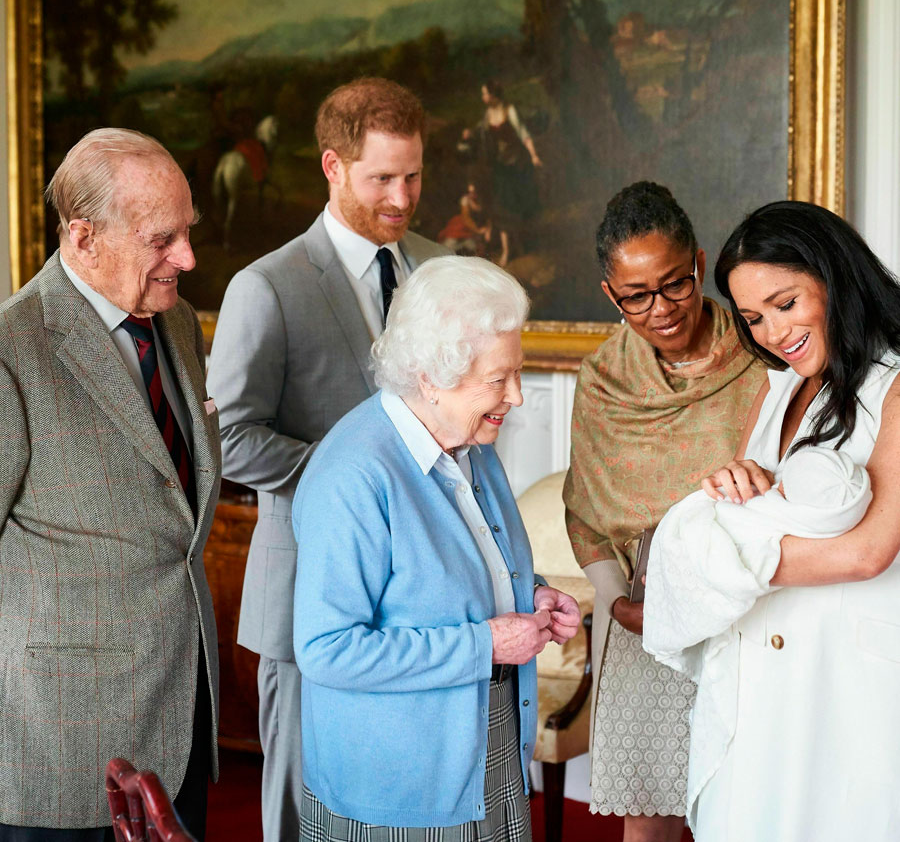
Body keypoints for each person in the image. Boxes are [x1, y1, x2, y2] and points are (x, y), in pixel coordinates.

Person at [205, 77, 448, 841]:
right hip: (308, 593)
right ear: (332, 168)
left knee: (399, 811)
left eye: (413, 176)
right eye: (382, 178)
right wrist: (361, 484)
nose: (403, 198)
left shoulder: (440, 270)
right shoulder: (266, 287)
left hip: (422, 604)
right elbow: (230, 437)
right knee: (298, 812)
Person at [292, 256, 580, 840]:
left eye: (516, 373)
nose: (517, 397)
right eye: (498, 379)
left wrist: (534, 593)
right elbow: (327, 649)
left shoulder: (470, 442)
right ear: (430, 377)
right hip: (399, 788)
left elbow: (457, 573)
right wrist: (487, 643)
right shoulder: (353, 475)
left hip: (488, 747)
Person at [0, 128, 222, 840]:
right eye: (162, 239)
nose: (185, 258)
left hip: (182, 719)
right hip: (60, 744)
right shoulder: (12, 349)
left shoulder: (178, 322)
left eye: (187, 232)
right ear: (83, 237)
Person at [675, 200, 900, 841]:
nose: (772, 333)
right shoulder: (776, 388)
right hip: (761, 671)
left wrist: (715, 560)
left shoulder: (895, 387)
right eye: (753, 318)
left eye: (785, 303)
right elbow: (743, 507)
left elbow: (871, 550)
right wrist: (734, 485)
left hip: (849, 680)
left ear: (833, 276)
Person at [562, 181, 766, 842]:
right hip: (646, 611)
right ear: (610, 295)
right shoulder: (603, 381)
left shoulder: (763, 355)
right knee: (652, 819)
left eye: (675, 284)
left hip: (751, 602)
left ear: (701, 265)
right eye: (636, 296)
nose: (661, 309)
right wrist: (615, 597)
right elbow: (587, 513)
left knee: (744, 805)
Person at [643, 448, 872, 828]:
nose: (776, 489)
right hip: (753, 647)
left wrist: (683, 569)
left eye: (783, 489)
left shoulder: (780, 517)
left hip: (807, 651)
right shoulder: (775, 391)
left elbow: (865, 555)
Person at [459, 81, 542, 266]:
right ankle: (507, 251)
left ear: (494, 95)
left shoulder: (509, 110)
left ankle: (520, 246)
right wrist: (469, 133)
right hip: (500, 168)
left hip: (516, 165)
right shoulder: (488, 114)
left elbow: (523, 133)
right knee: (502, 208)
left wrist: (534, 155)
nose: (483, 98)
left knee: (515, 206)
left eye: (485, 94)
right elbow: (480, 130)